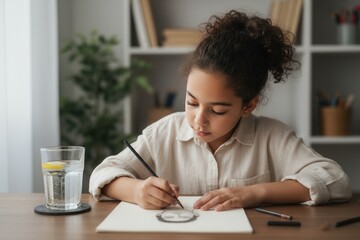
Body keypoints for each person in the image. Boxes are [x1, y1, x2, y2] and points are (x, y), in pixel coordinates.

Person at [89, 10, 351, 211]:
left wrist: (254, 193)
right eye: (191, 103)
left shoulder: (272, 136)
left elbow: (335, 179)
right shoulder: (165, 132)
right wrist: (136, 191)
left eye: (217, 110)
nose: (198, 120)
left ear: (248, 105)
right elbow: (102, 174)